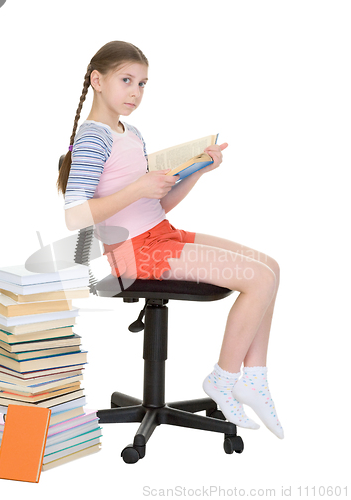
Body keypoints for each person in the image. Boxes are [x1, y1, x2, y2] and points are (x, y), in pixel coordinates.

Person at [57, 41, 283, 439]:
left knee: (270, 268)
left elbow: (157, 204)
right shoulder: (93, 138)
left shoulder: (131, 132)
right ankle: (223, 379)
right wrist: (140, 186)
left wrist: (196, 171)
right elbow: (75, 216)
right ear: (97, 80)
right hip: (134, 253)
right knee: (259, 280)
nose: (135, 92)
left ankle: (255, 378)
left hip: (161, 235)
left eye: (142, 84)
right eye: (126, 80)